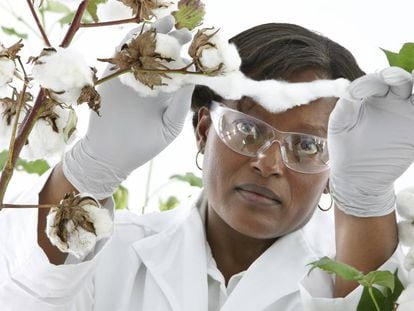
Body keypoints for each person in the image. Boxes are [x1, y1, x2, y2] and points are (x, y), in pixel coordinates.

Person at [1, 20, 413, 311]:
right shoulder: (113, 254)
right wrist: (90, 169)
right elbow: (22, 295)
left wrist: (365, 203)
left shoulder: (346, 279)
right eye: (248, 130)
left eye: (307, 145)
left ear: (333, 170)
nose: (268, 163)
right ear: (203, 130)